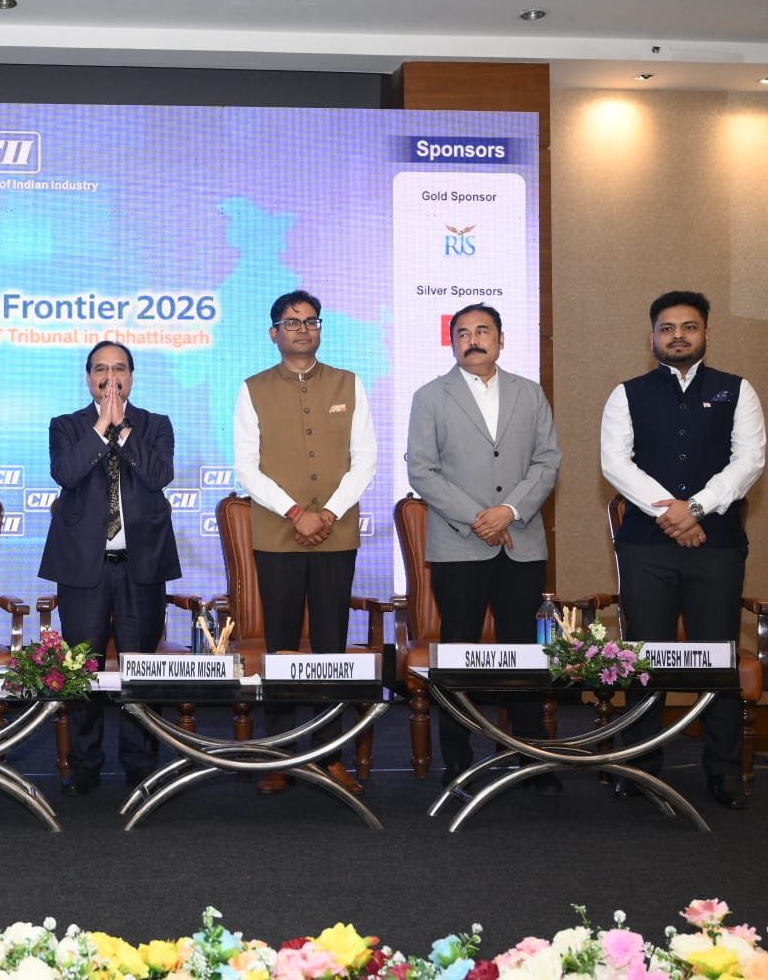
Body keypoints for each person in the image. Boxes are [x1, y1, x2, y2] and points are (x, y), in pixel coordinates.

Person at [601, 290, 765, 809]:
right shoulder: (626, 394)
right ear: (652, 336)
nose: (678, 336)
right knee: (643, 656)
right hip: (646, 547)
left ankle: (724, 770)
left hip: (716, 546)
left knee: (716, 657)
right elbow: (615, 464)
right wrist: (670, 514)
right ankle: (639, 765)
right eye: (667, 328)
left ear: (706, 333)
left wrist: (694, 508)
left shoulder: (738, 390)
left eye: (688, 327)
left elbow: (749, 461)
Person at [407, 303, 562, 794]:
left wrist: (509, 511)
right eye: (462, 333)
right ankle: (457, 761)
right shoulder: (431, 396)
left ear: (501, 339)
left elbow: (547, 461)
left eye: (482, 331)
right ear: (452, 342)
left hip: (522, 541)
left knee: (523, 649)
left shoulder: (529, 393)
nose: (472, 340)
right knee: (458, 651)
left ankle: (528, 755)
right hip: (458, 544)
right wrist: (479, 517)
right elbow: (422, 469)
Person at [233, 289, 376, 796]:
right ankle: (279, 754)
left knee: (331, 647)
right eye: (292, 322)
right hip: (278, 535)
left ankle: (330, 755)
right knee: (282, 646)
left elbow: (365, 460)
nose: (302, 329)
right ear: (274, 333)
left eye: (311, 321)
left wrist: (329, 513)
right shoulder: (252, 389)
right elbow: (247, 468)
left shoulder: (348, 383)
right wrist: (295, 512)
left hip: (336, 535)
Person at [38, 341, 182, 795]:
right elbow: (66, 474)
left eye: (119, 369)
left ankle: (141, 763)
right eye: (101, 369)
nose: (110, 377)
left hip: (142, 565)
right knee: (83, 667)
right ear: (89, 379)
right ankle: (85, 763)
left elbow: (158, 476)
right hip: (84, 567)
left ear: (132, 377)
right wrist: (103, 427)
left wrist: (125, 431)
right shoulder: (66, 426)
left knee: (140, 667)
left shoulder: (155, 425)